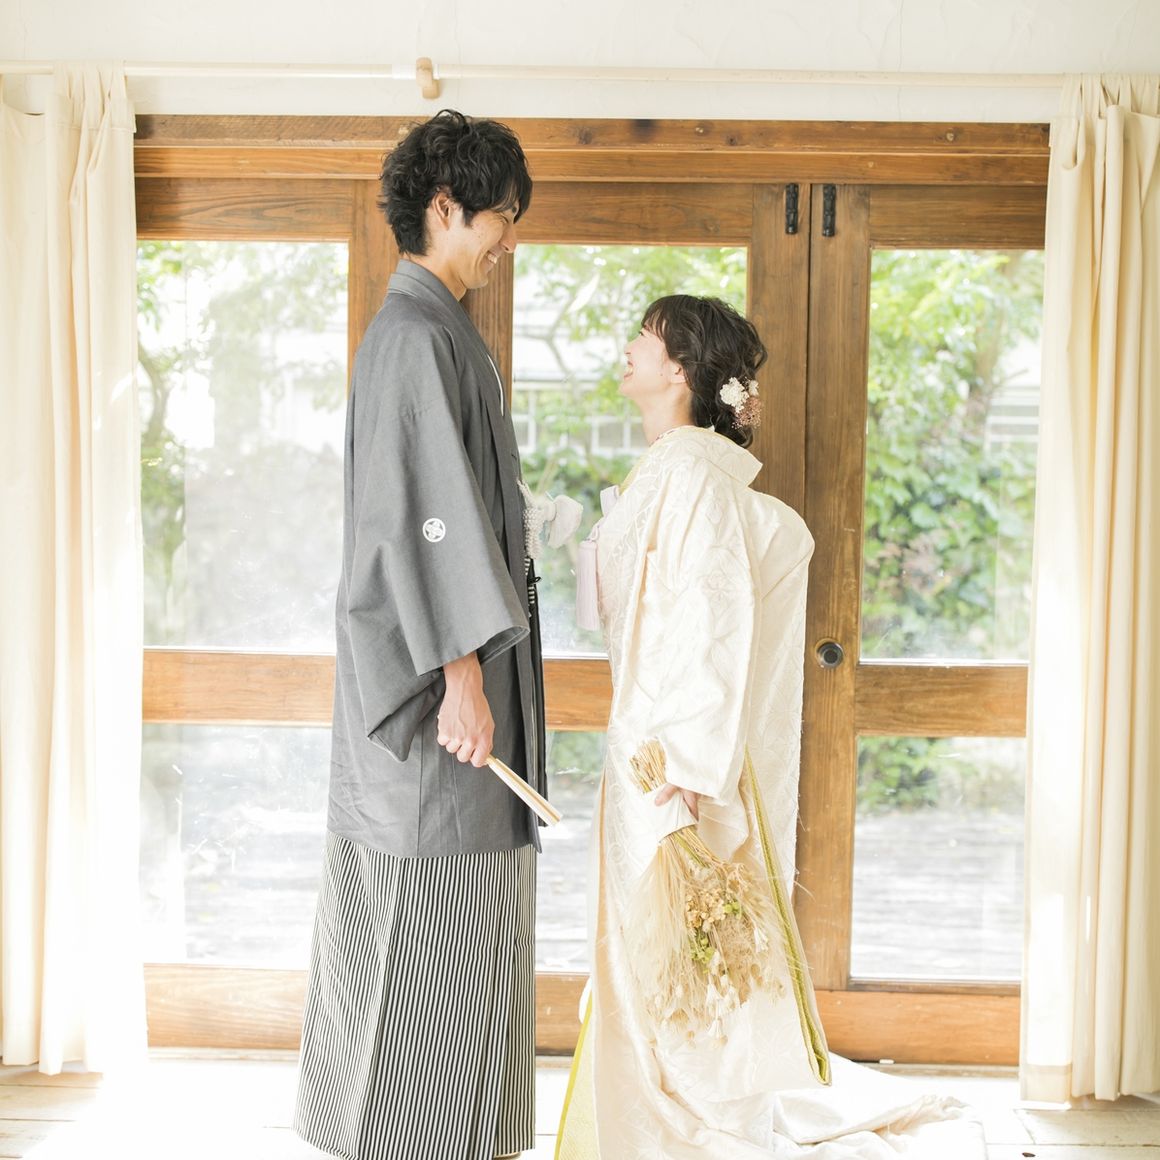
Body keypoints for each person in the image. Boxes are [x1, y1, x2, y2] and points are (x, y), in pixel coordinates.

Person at [559, 296, 986, 1158]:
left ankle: (686, 1130)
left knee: (676, 948)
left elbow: (708, 620)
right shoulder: (672, 470)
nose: (629, 349)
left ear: (680, 370)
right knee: (655, 946)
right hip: (648, 739)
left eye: (644, 339)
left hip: (671, 758)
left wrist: (686, 765)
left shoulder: (691, 476)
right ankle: (652, 1123)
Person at [294, 109, 543, 1160]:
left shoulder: (436, 330)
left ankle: (454, 1138)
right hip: (436, 695)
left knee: (458, 918)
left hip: (450, 675)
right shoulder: (412, 336)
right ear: (445, 208)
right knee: (431, 910)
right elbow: (423, 519)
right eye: (499, 218)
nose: (505, 241)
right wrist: (461, 675)